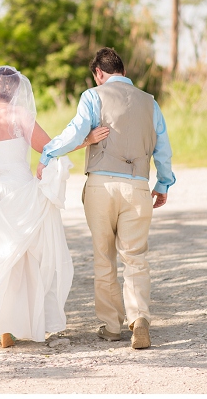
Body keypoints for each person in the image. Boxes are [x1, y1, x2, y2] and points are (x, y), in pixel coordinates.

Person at [0, 66, 108, 348]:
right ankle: (8, 328)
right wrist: (87, 140)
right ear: (15, 90)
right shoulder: (19, 115)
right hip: (16, 189)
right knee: (17, 257)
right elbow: (51, 147)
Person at [36, 48, 175, 350]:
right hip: (137, 187)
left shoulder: (92, 96)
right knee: (135, 256)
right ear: (122, 70)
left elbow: (75, 133)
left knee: (104, 257)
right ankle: (139, 321)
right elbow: (163, 148)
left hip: (100, 186)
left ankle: (111, 327)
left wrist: (48, 152)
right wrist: (163, 183)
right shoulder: (150, 103)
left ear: (98, 73)